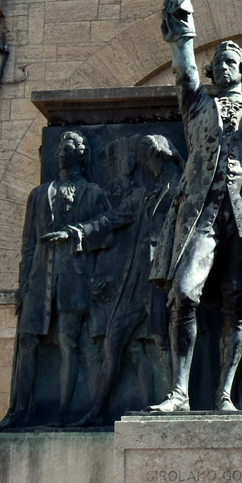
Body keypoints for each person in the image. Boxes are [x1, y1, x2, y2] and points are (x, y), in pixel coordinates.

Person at [148, 0, 242, 412]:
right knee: (184, 293)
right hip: (202, 210)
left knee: (236, 305)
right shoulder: (198, 106)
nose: (222, 66)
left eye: (231, 61)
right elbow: (183, 61)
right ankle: (179, 392)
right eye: (218, 62)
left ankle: (225, 394)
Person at [0, 130, 111, 430]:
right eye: (58, 147)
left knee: (69, 341)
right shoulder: (39, 194)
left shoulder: (93, 194)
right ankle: (18, 411)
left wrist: (77, 234)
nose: (59, 152)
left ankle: (62, 414)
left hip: (75, 279)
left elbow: (108, 233)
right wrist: (22, 284)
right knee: (27, 340)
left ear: (80, 153)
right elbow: (28, 243)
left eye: (67, 146)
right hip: (39, 280)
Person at [68, 134, 184, 427]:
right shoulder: (145, 193)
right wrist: (78, 232)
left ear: (163, 156)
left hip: (163, 279)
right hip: (135, 280)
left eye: (148, 159)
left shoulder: (183, 189)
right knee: (112, 341)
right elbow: (113, 219)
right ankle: (96, 410)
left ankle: (178, 399)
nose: (145, 165)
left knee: (163, 338)